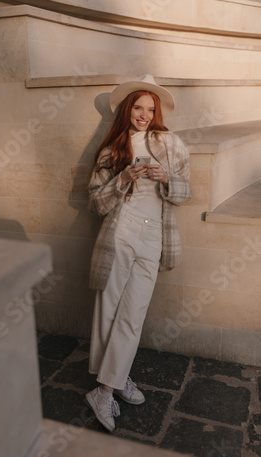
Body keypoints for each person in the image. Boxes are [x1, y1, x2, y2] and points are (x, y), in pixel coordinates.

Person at [85, 75, 192, 432]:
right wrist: (124, 178)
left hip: (153, 235)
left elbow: (185, 192)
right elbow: (96, 202)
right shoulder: (112, 148)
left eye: (150, 109)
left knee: (134, 312)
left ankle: (110, 383)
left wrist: (166, 178)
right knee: (109, 307)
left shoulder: (171, 143)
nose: (144, 115)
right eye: (138, 107)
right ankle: (107, 387)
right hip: (120, 230)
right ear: (127, 109)